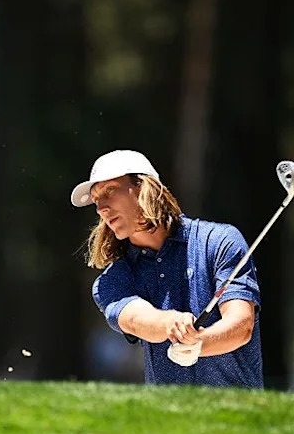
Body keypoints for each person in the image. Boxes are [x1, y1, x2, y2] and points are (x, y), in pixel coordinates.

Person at [71, 149, 262, 388]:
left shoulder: (220, 242)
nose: (101, 207)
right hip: (168, 423)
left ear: (145, 187)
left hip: (240, 417)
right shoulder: (112, 280)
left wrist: (199, 343)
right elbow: (136, 318)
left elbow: (241, 326)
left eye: (110, 190)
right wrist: (170, 323)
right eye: (97, 199)